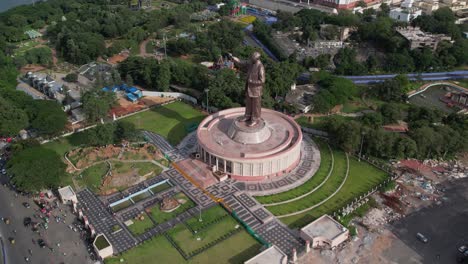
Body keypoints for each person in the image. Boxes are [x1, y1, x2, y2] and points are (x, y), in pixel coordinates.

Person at [229, 52, 266, 127]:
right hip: (249, 88)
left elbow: (262, 81)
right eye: (251, 58)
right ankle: (247, 116)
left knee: (256, 106)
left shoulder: (260, 66)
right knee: (248, 104)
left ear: (256, 59)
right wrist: (234, 58)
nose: (250, 59)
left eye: (252, 58)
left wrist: (252, 82)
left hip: (256, 90)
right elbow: (242, 62)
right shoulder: (251, 63)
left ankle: (255, 119)